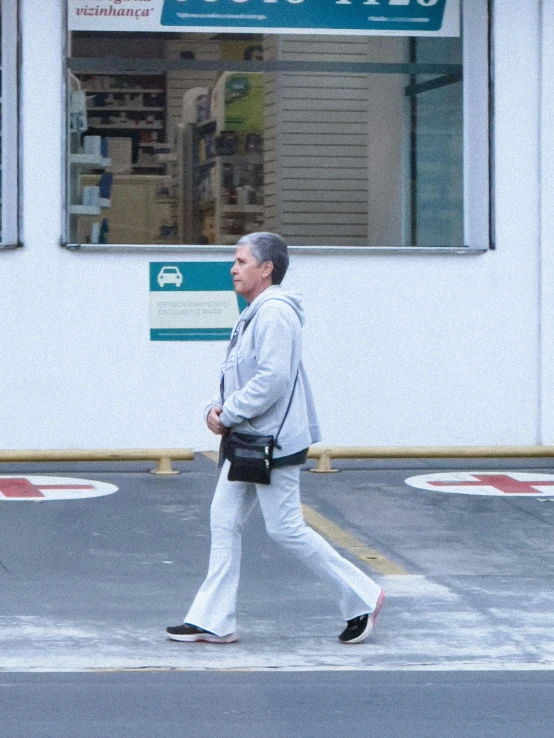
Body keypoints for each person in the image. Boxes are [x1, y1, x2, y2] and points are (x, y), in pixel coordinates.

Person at [166, 232, 384, 645]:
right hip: (248, 438)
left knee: (285, 528)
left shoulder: (274, 314)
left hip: (271, 442)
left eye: (242, 261)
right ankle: (214, 620)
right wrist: (216, 408)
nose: (233, 268)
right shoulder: (254, 312)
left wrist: (227, 413)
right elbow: (241, 372)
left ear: (266, 269)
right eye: (235, 260)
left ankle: (363, 596)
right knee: (224, 521)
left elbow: (272, 380)